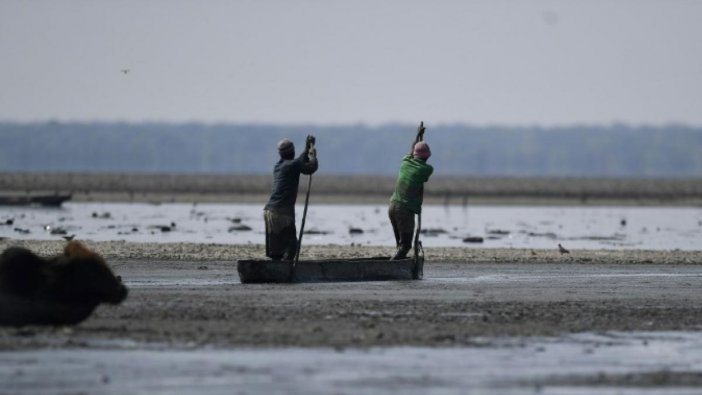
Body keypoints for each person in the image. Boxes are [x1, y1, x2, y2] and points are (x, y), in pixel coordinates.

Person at [263, 135, 318, 260]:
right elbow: (310, 167)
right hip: (282, 213)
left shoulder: (278, 166)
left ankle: (276, 271)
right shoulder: (292, 165)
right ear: (292, 152)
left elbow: (299, 161)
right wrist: (313, 156)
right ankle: (287, 273)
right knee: (292, 246)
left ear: (280, 155)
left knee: (275, 251)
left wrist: (307, 148)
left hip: (269, 212)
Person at [388, 123, 433, 260]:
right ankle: (392, 267)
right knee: (405, 246)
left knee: (400, 245)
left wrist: (417, 136)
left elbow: (411, 151)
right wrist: (419, 138)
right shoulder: (426, 169)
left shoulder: (405, 161)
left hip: (392, 206)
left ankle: (397, 265)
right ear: (427, 157)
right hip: (404, 210)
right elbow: (423, 176)